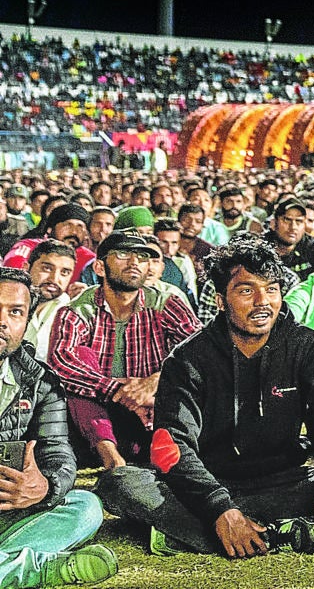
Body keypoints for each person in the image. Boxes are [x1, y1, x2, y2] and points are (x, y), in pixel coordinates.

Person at [94, 236, 314, 558]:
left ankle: (195, 534)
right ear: (220, 300)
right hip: (208, 482)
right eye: (246, 291)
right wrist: (220, 508)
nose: (263, 301)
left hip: (286, 480)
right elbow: (171, 444)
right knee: (118, 484)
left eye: (271, 289)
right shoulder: (189, 358)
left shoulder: (306, 346)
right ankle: (269, 531)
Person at [0, 267, 118, 587]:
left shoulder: (42, 382)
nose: (2, 321)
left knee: (87, 506)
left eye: (14, 312)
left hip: (8, 509)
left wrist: (45, 487)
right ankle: (36, 571)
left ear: (25, 322)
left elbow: (58, 453)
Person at [48, 231, 202, 470]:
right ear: (99, 267)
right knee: (81, 358)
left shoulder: (165, 302)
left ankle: (167, 452)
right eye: (123, 254)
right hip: (98, 415)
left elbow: (202, 351)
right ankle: (111, 459)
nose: (134, 263)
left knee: (183, 372)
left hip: (153, 406)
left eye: (142, 257)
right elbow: (61, 362)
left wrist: (156, 382)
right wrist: (119, 390)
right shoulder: (76, 310)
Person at [23, 239, 76, 362]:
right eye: (47, 268)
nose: (54, 279)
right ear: (26, 268)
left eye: (64, 272)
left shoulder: (71, 310)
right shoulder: (6, 299)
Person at [266, 197, 314, 282]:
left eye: (299, 221)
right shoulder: (261, 247)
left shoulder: (313, 247)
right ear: (273, 223)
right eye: (287, 220)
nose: (293, 227)